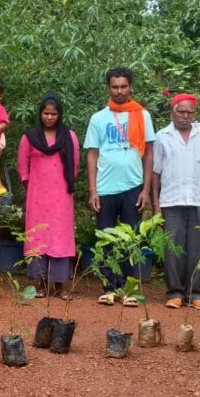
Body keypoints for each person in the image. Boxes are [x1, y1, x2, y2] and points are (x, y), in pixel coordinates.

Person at [84, 66, 155, 306]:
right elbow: (92, 154)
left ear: (131, 87)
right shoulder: (98, 118)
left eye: (124, 86)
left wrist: (146, 190)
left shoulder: (142, 115)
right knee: (106, 239)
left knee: (130, 240)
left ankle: (128, 289)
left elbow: (149, 154)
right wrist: (92, 190)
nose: (120, 91)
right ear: (108, 88)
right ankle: (108, 287)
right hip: (104, 189)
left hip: (133, 187)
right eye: (115, 87)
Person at [152, 92, 200, 310]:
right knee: (173, 248)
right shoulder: (162, 136)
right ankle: (175, 293)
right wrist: (155, 205)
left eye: (189, 112)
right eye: (181, 111)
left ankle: (195, 293)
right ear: (172, 113)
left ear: (194, 114)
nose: (185, 116)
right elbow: (155, 173)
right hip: (171, 200)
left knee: (198, 247)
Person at [17, 94, 80, 299]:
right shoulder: (30, 137)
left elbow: (75, 165)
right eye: (46, 113)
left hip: (61, 194)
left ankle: (61, 287)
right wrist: (31, 184)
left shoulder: (69, 136)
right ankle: (42, 285)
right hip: (37, 195)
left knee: (60, 237)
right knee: (39, 237)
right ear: (40, 114)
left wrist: (64, 184)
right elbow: (22, 165)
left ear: (59, 114)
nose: (50, 117)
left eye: (53, 114)